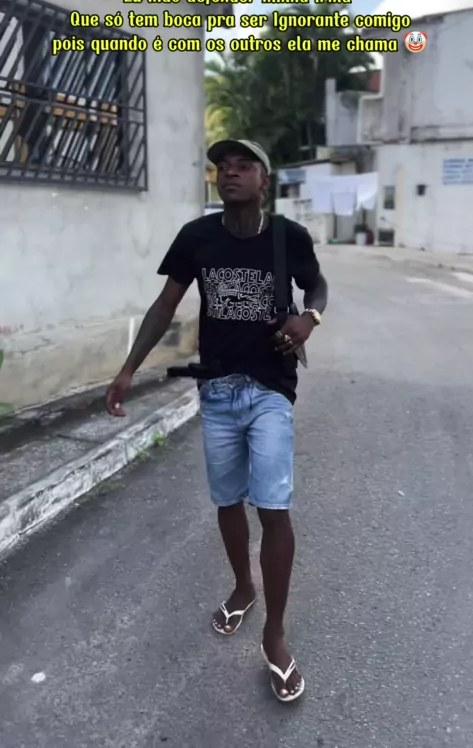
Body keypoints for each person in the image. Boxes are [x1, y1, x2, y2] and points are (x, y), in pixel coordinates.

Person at [106, 139, 328, 702]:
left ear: (264, 180)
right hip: (218, 393)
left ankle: (275, 635)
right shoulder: (197, 237)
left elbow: (316, 284)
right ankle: (243, 587)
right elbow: (165, 304)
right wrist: (129, 368)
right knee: (227, 501)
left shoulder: (288, 237)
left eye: (243, 166)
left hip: (271, 389)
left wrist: (309, 317)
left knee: (272, 507)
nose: (230, 173)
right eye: (222, 167)